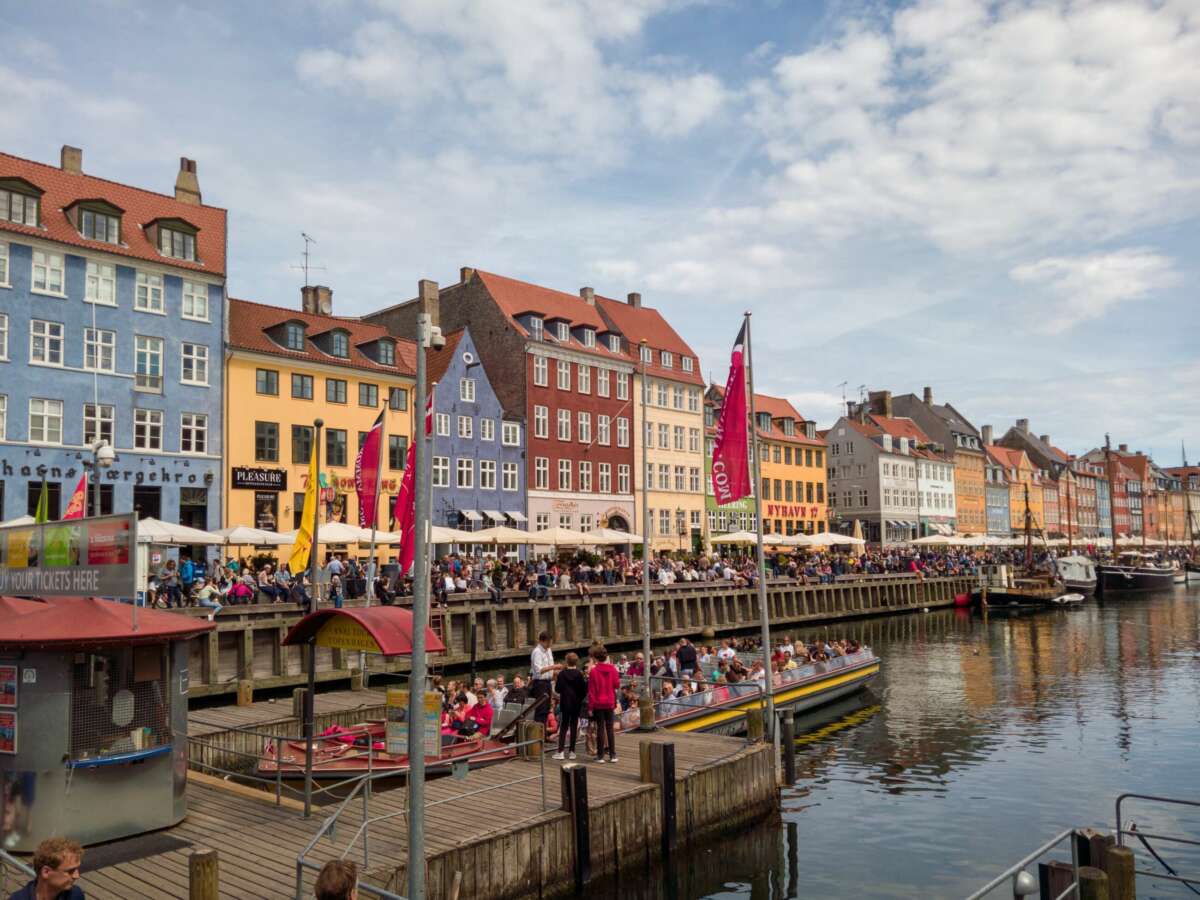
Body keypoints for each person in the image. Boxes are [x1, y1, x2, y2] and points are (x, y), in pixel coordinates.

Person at [8, 835, 85, 900]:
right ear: (46, 872)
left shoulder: (75, 895)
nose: (77, 876)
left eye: (77, 869)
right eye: (70, 871)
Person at [587, 645, 621, 764]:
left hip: (598, 703)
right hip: (610, 702)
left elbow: (591, 692)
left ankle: (600, 756)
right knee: (610, 729)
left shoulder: (594, 671)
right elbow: (617, 685)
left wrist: (590, 707)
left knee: (600, 729)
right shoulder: (613, 669)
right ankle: (613, 755)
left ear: (595, 658)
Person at [552, 652, 587, 760]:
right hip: (576, 704)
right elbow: (584, 690)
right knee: (573, 727)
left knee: (563, 727)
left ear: (567, 661)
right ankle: (572, 751)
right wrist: (579, 699)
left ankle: (561, 751)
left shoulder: (562, 674)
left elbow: (557, 689)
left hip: (565, 703)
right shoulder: (579, 674)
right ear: (576, 662)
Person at [530, 632, 559, 724]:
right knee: (541, 709)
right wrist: (554, 667)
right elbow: (539, 670)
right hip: (540, 683)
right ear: (543, 641)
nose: (550, 644)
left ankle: (544, 733)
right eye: (549, 642)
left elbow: (549, 666)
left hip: (548, 682)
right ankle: (539, 733)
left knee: (547, 708)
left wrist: (555, 673)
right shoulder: (537, 652)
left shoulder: (549, 650)